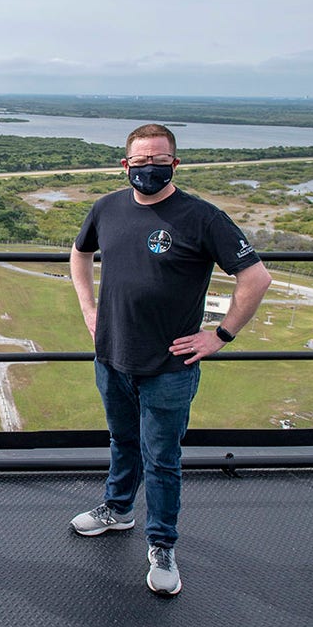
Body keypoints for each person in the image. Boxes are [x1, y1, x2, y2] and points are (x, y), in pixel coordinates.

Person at [69, 123, 272, 596]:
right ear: (125, 165)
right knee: (122, 441)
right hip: (113, 356)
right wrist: (88, 308)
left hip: (169, 367)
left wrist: (220, 335)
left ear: (175, 163)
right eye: (139, 161)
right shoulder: (107, 208)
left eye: (158, 160)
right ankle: (118, 510)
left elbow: (256, 277)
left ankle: (162, 544)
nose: (148, 168)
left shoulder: (201, 217)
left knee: (162, 459)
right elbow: (79, 255)